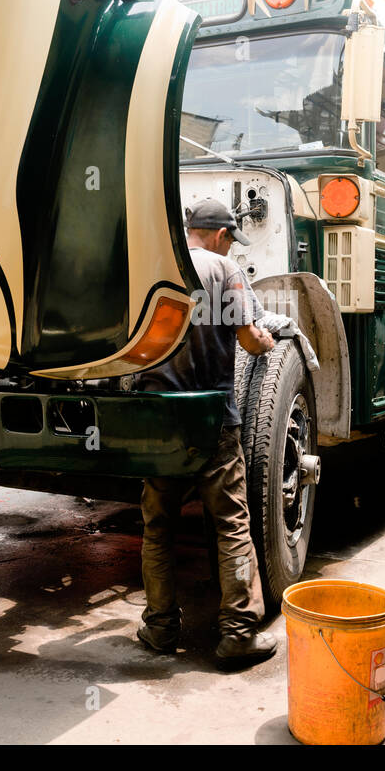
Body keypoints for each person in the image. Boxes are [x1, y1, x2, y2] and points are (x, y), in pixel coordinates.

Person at [135, 199, 278, 668]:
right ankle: (237, 634)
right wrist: (269, 340)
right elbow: (250, 338)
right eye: (230, 238)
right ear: (219, 234)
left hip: (158, 421)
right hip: (213, 419)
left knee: (158, 526)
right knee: (231, 525)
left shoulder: (153, 264)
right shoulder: (225, 269)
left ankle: (159, 628)